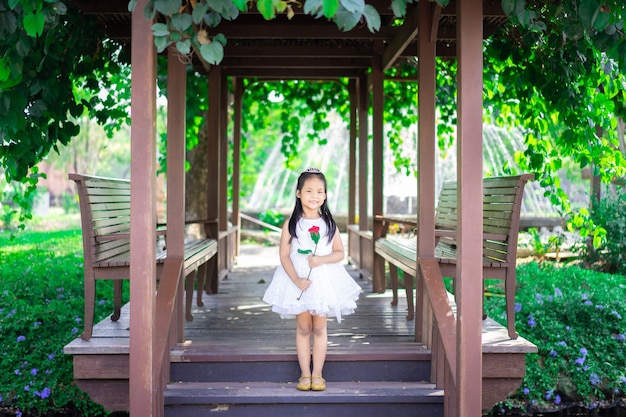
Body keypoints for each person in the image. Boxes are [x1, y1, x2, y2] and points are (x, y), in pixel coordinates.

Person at [262, 168, 362, 392]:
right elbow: (284, 255)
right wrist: (297, 280)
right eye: (308, 191)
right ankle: (304, 374)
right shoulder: (291, 223)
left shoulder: (329, 223)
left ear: (325, 195)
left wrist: (321, 259)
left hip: (322, 281)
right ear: (298, 193)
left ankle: (318, 374)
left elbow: (339, 253)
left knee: (319, 327)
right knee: (303, 326)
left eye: (319, 191)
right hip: (297, 280)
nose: (314, 196)